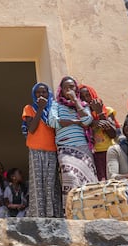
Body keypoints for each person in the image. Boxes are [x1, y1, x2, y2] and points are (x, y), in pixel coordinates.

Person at [48, 76, 97, 210]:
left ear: (76, 89)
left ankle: (90, 210)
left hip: (83, 147)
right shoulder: (56, 105)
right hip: (65, 147)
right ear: (61, 90)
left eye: (72, 87)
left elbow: (87, 121)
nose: (69, 90)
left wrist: (76, 101)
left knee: (88, 179)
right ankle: (72, 210)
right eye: (66, 88)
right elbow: (53, 122)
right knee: (70, 176)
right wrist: (75, 122)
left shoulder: (82, 105)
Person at [22, 82, 61, 218]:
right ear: (34, 94)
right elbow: (31, 128)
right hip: (35, 149)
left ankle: (53, 214)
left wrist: (46, 108)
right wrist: (40, 109)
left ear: (48, 94)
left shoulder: (53, 110)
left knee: (50, 183)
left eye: (44, 92)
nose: (41, 95)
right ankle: (38, 214)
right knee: (38, 183)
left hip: (51, 149)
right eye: (38, 93)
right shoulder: (29, 108)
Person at [79, 84, 119, 181]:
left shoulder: (107, 111)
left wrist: (100, 113)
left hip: (109, 152)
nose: (86, 99)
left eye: (88, 95)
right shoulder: (81, 116)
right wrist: (92, 123)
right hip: (92, 155)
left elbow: (113, 134)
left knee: (113, 180)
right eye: (82, 97)